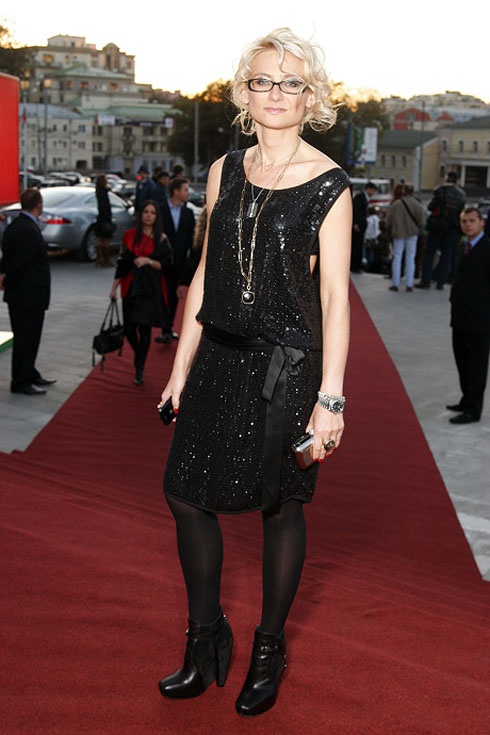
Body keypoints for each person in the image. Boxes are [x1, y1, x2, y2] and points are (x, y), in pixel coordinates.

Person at [157, 27, 352, 717]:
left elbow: (335, 297)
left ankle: (269, 648)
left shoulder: (330, 184)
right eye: (263, 80)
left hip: (285, 370)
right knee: (184, 492)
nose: (275, 92)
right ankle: (206, 634)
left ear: (311, 97)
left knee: (279, 506)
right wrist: (179, 366)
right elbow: (206, 270)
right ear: (244, 92)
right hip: (218, 356)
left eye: (291, 82)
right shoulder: (224, 170)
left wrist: (330, 398)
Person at [0, 188, 56, 395]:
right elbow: (19, 263)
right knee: (27, 338)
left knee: (28, 337)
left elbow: (7, 256)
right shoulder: (29, 230)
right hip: (28, 294)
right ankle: (21, 381)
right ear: (39, 205)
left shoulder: (14, 226)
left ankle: (29, 372)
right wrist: (7, 278)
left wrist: (3, 276)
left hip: (21, 293)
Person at [109, 201, 171, 385]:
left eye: (153, 212)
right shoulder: (129, 235)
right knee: (129, 329)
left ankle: (140, 366)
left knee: (144, 329)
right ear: (141, 214)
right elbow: (122, 263)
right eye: (146, 212)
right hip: (129, 287)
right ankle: (139, 355)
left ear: (157, 217)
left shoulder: (162, 239)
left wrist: (147, 261)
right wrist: (113, 288)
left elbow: (167, 266)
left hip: (149, 290)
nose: (149, 215)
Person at [447, 207, 490, 424]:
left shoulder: (487, 248)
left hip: (480, 319)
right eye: (464, 221)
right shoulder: (462, 245)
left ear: (482, 223)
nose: (468, 224)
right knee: (462, 361)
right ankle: (466, 399)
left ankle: (473, 409)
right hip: (460, 315)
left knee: (477, 366)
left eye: (472, 220)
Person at [154, 178, 195, 343]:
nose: (188, 193)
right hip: (162, 261)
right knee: (163, 294)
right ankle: (164, 327)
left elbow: (191, 239)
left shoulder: (188, 213)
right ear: (176, 191)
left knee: (174, 296)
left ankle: (168, 327)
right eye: (185, 189)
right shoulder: (160, 210)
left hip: (180, 262)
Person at [416, 171, 465, 290]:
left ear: (447, 179)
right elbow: (460, 210)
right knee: (447, 255)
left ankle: (426, 280)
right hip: (453, 228)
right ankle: (441, 282)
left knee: (429, 253)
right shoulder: (461, 194)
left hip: (438, 226)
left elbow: (431, 207)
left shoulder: (440, 190)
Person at [385, 182, 426, 292]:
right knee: (411, 258)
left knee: (397, 257)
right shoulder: (417, 205)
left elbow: (388, 221)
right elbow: (422, 222)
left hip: (398, 233)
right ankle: (409, 284)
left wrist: (389, 228)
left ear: (404, 191)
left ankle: (395, 283)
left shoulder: (396, 204)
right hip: (412, 233)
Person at [351, 181, 378, 272]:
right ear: (368, 189)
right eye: (373, 191)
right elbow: (355, 210)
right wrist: (355, 223)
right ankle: (355, 265)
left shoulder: (364, 198)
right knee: (356, 245)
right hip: (358, 225)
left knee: (359, 245)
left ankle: (357, 264)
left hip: (361, 225)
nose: (373, 193)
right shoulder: (360, 197)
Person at [94, 174, 114, 267]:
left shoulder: (98, 191)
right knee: (106, 240)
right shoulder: (103, 193)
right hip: (105, 219)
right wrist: (108, 217)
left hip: (100, 218)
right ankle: (106, 260)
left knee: (100, 239)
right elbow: (104, 207)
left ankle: (99, 259)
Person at [363, 205, 380, 272]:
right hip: (375, 238)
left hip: (370, 239)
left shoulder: (369, 220)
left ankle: (368, 267)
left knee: (368, 253)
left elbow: (368, 230)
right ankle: (373, 266)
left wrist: (367, 237)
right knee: (373, 253)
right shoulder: (378, 219)